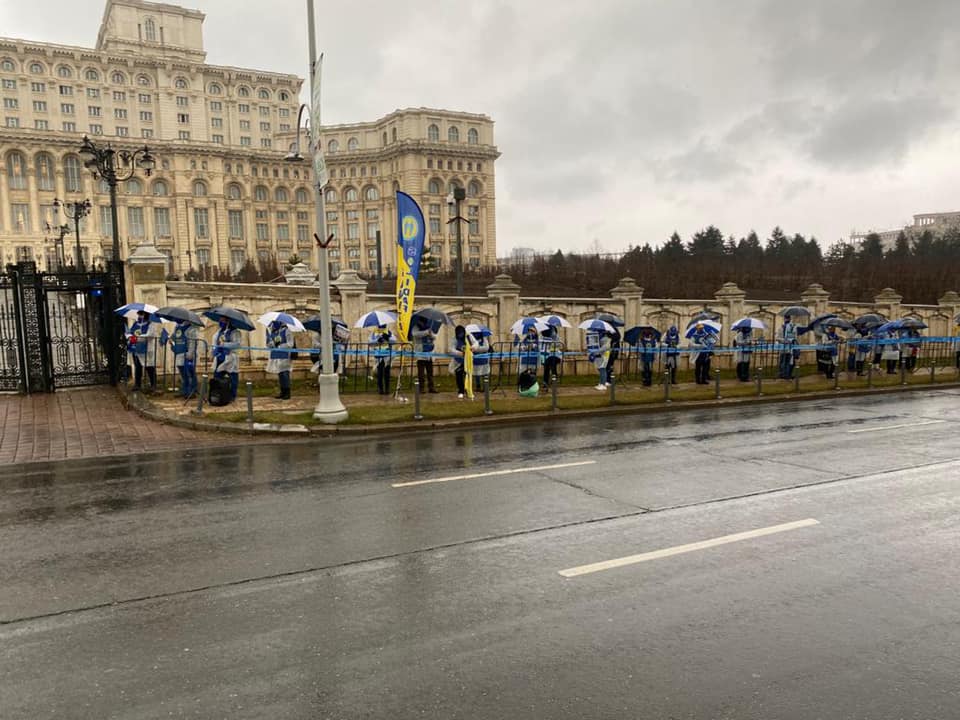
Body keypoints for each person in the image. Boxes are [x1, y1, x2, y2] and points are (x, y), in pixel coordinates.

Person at [126, 310, 160, 393]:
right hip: (136, 348)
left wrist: (138, 337)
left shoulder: (151, 324)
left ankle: (153, 384)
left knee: (149, 367)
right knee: (138, 367)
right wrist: (130, 336)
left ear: (146, 315)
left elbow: (150, 335)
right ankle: (137, 384)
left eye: (141, 314)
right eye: (139, 314)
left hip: (147, 349)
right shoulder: (135, 323)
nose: (139, 316)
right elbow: (129, 332)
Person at [211, 316, 241, 402]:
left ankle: (232, 395)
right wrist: (213, 351)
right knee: (217, 377)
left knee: (233, 378)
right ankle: (218, 394)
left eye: (223, 320)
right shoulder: (219, 332)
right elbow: (215, 343)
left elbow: (237, 344)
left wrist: (225, 344)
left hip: (230, 357)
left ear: (228, 321)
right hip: (219, 357)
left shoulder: (235, 332)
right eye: (220, 320)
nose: (220, 322)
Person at [170, 319, 199, 399]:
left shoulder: (192, 329)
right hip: (179, 353)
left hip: (187, 354)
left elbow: (193, 342)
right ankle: (184, 390)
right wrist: (171, 341)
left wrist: (190, 353)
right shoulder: (177, 327)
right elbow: (174, 337)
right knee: (183, 373)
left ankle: (192, 391)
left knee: (189, 373)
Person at [266, 320, 293, 400]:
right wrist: (270, 344)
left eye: (274, 323)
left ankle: (287, 393)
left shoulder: (287, 331)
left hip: (284, 356)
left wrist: (280, 346)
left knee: (285, 374)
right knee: (280, 374)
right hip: (276, 355)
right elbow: (268, 344)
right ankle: (282, 392)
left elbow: (290, 344)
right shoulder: (273, 332)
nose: (273, 325)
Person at [411, 316, 438, 394]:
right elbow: (415, 334)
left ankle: (431, 387)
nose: (423, 323)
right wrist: (426, 332)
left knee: (430, 373)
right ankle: (421, 388)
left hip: (429, 353)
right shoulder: (416, 327)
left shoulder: (429, 328)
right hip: (420, 354)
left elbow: (435, 337)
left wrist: (430, 334)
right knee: (421, 373)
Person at [369, 325, 395, 395]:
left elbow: (394, 341)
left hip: (387, 354)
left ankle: (387, 389)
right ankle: (380, 389)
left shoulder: (388, 332)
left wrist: (388, 338)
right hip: (378, 355)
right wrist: (377, 340)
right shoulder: (374, 332)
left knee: (387, 372)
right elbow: (370, 342)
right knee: (380, 372)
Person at [468, 328, 491, 394]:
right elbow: (471, 348)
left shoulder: (484, 338)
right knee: (476, 373)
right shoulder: (471, 339)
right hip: (475, 359)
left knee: (485, 373)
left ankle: (485, 387)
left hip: (484, 359)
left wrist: (476, 349)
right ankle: (478, 386)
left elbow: (486, 348)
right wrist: (477, 349)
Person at [449, 325, 468, 399]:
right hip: (458, 361)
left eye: (462, 332)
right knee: (459, 375)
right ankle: (461, 391)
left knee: (467, 375)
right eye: (459, 332)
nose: (461, 334)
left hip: (467, 361)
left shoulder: (468, 338)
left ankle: (467, 389)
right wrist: (459, 352)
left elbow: (475, 344)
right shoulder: (454, 340)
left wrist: (472, 348)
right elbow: (451, 349)